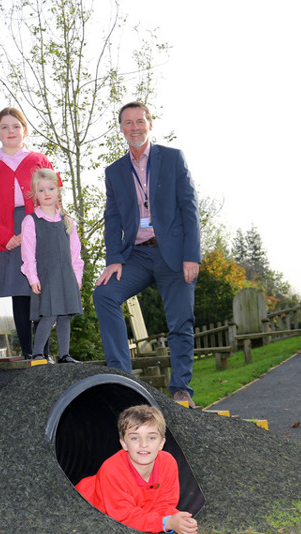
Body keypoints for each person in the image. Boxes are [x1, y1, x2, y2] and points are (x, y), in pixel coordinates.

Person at [93, 101, 201, 408]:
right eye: (128, 123)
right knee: (103, 295)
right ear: (121, 129)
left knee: (180, 322)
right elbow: (112, 218)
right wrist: (113, 258)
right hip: (137, 256)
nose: (134, 128)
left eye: (140, 121)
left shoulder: (171, 158)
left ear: (149, 124)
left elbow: (189, 208)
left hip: (175, 254)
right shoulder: (114, 172)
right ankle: (123, 382)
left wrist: (191, 255)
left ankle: (181, 389)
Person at [0, 107, 56, 359]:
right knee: (20, 293)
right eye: (4, 127)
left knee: (40, 290)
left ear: (25, 130)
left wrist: (47, 230)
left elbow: (54, 195)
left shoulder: (39, 160)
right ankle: (27, 353)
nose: (10, 131)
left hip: (38, 226)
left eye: (16, 126)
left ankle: (43, 352)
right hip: (7, 231)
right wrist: (4, 236)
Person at [75, 405, 198, 534]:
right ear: (124, 444)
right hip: (82, 503)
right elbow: (123, 517)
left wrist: (176, 520)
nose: (143, 444)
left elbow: (166, 504)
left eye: (151, 437)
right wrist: (165, 523)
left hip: (131, 509)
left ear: (161, 443)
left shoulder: (168, 463)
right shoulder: (112, 470)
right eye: (134, 438)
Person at [20, 168, 83, 363]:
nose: (47, 193)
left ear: (58, 191)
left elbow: (75, 254)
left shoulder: (68, 221)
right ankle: (38, 354)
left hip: (66, 276)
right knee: (49, 315)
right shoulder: (31, 221)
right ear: (34, 194)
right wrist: (33, 278)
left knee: (65, 316)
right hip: (46, 276)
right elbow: (28, 253)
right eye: (41, 190)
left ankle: (64, 355)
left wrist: (77, 278)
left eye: (51, 188)